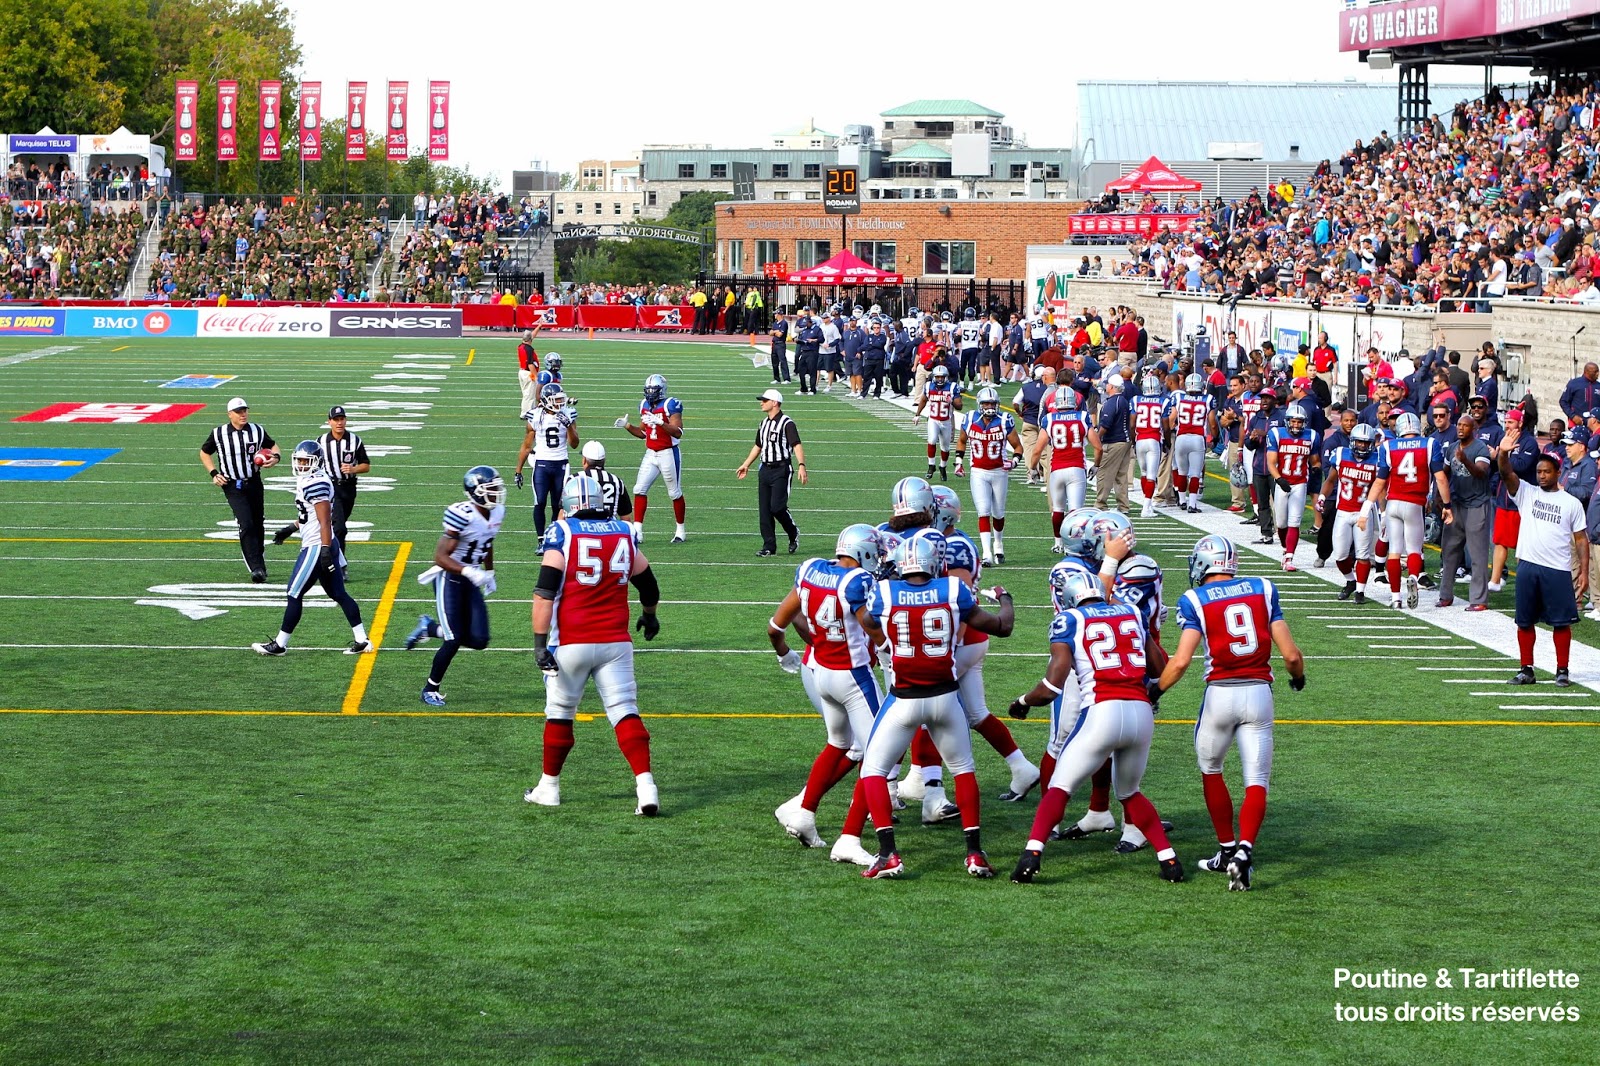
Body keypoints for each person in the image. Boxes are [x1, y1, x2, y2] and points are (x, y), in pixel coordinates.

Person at [847, 530, 1016, 879]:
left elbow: (867, 620)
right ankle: (974, 853)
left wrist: (890, 632)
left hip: (904, 699)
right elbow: (1002, 627)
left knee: (873, 772)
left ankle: (888, 853)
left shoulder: (885, 592)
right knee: (964, 770)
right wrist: (1005, 598)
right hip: (945, 697)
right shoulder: (952, 590)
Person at [1007, 566, 1182, 885]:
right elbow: (1160, 668)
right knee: (1130, 793)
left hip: (1102, 710)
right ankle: (1168, 859)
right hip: (1141, 713)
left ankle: (1031, 855)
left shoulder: (1068, 620)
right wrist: (1151, 692)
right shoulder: (1130, 612)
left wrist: (1022, 701)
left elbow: (1050, 687)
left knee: (1060, 787)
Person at [1157, 534, 1305, 891]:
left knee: (1211, 770)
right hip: (1259, 694)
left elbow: (1180, 662)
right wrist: (1298, 679)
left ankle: (1226, 848)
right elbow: (1291, 656)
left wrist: (1154, 690)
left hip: (1220, 696)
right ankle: (1244, 851)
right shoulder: (1262, 588)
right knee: (1256, 781)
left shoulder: (1195, 599)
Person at [525, 474, 663, 815]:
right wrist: (649, 615)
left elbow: (544, 593)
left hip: (571, 641)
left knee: (560, 714)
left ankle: (550, 787)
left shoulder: (563, 532)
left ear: (569, 505)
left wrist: (539, 644)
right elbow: (648, 583)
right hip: (616, 642)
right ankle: (646, 787)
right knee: (624, 711)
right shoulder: (623, 531)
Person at [767, 523, 883, 857]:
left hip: (821, 671)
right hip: (852, 675)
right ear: (862, 553)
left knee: (838, 744)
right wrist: (889, 646)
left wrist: (784, 652)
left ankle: (804, 813)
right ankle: (850, 838)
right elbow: (872, 627)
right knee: (879, 755)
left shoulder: (810, 570)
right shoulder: (857, 581)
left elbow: (777, 625)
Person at [251, 441, 370, 657]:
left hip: (317, 545)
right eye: (299, 460)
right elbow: (310, 514)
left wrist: (325, 550)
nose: (302, 465)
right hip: (322, 542)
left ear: (317, 462)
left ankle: (280, 644)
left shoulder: (316, 482)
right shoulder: (308, 479)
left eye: (306, 461)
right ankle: (362, 639)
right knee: (339, 593)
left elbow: (325, 521)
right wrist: (292, 527)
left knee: (294, 593)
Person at [404, 467, 506, 706]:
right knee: (453, 639)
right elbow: (440, 556)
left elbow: (487, 542)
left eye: (496, 488)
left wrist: (489, 571)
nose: (496, 493)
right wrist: (469, 570)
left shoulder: (498, 511)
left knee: (480, 640)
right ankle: (430, 689)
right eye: (490, 490)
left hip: (471, 578)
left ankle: (430, 628)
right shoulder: (462, 514)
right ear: (476, 493)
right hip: (449, 577)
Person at [1497, 422, 1586, 686]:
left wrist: (1583, 571)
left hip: (1557, 569)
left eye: (1547, 471)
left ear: (1558, 472)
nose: (1542, 476)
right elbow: (1506, 475)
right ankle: (1526, 668)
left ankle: (1562, 670)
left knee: (1561, 623)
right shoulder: (1527, 493)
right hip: (1527, 566)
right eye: (1538, 471)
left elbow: (1581, 539)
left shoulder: (1570, 502)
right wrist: (1503, 454)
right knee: (1524, 621)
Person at [1361, 412, 1450, 610]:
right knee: (1414, 550)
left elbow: (1380, 481)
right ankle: (1412, 577)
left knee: (1394, 551)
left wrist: (1365, 509)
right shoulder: (1429, 444)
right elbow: (1441, 478)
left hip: (1393, 504)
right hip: (1414, 503)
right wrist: (1447, 505)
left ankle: (1395, 598)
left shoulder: (1387, 446)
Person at [200, 396, 279, 583]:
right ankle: (256, 567)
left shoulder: (257, 430)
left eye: (244, 410)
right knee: (246, 524)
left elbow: (273, 445)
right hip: (232, 484)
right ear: (230, 415)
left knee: (258, 524)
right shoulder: (219, 433)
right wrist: (213, 473)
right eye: (239, 412)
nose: (243, 414)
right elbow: (204, 452)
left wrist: (275, 457)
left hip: (254, 482)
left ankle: (259, 561)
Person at [954, 386, 1022, 565]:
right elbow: (962, 441)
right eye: (986, 403)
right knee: (983, 512)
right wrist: (959, 462)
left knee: (998, 513)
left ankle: (998, 544)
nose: (990, 406)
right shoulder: (969, 418)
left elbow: (1018, 446)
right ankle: (986, 553)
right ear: (979, 404)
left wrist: (1014, 462)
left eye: (993, 403)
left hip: (999, 471)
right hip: (978, 472)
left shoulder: (1004, 420)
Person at [616, 374, 686, 544]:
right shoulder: (644, 405)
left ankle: (680, 531)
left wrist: (661, 422)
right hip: (651, 453)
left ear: (661, 391)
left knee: (674, 493)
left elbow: (678, 432)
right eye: (648, 390)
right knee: (639, 489)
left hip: (668, 453)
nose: (650, 393)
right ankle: (638, 531)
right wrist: (627, 426)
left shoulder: (670, 404)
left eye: (653, 390)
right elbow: (643, 433)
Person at [737, 389, 806, 557]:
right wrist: (746, 464)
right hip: (765, 469)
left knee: (777, 507)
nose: (761, 402)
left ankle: (793, 532)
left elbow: (796, 445)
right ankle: (769, 546)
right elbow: (758, 445)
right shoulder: (764, 423)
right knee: (765, 510)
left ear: (775, 402)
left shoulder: (787, 423)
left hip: (781, 469)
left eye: (765, 400)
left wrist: (801, 465)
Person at [1034, 383, 1100, 552]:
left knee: (1057, 509)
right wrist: (1097, 465)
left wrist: (1033, 469)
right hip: (1077, 468)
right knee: (1075, 511)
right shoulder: (1083, 417)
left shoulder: (1048, 419)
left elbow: (1037, 449)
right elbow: (1098, 447)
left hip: (1056, 469)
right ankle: (1073, 545)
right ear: (1074, 402)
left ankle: (1058, 543)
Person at [1438, 414, 1492, 610]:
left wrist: (1465, 460)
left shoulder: (1480, 448)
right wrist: (1439, 497)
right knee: (1449, 550)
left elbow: (1481, 471)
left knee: (1477, 554)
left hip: (1477, 503)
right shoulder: (1452, 447)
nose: (1460, 429)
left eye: (1465, 426)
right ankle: (1445, 595)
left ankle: (1478, 599)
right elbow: (1443, 472)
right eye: (1459, 425)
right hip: (1457, 503)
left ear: (1473, 428)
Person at [515, 382, 579, 537]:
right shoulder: (535, 416)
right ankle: (540, 539)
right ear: (547, 400)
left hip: (561, 464)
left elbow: (575, 444)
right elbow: (527, 446)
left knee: (558, 504)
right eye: (556, 400)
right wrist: (518, 470)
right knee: (540, 502)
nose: (560, 402)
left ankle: (553, 535)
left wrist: (568, 426)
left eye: (561, 399)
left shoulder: (568, 413)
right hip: (541, 464)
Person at [1266, 403, 1318, 571]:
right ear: (1287, 421)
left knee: (1294, 522)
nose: (1296, 425)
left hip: (1300, 483)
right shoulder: (1276, 434)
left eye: (1299, 422)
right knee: (1281, 524)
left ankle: (1289, 557)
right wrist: (1279, 479)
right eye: (1293, 421)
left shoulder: (1312, 436)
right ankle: (1285, 548)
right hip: (1282, 482)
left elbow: (1315, 460)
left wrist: (1316, 468)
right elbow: (1271, 462)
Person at [316, 405, 369, 551]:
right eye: (336, 419)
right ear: (329, 422)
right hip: (331, 488)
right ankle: (339, 563)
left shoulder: (354, 440)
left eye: (342, 419)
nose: (339, 423)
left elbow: (366, 465)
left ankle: (329, 555)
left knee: (338, 524)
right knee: (339, 528)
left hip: (349, 487)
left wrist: (353, 469)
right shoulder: (321, 442)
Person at [1171, 372, 1214, 513]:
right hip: (1197, 438)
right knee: (1195, 474)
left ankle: (1182, 501)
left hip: (1181, 438)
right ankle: (1192, 504)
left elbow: (1172, 419)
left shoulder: (1179, 397)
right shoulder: (1208, 399)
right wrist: (1215, 437)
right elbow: (1212, 423)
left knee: (1182, 472)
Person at [912, 364, 963, 481]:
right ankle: (931, 466)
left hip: (946, 421)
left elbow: (959, 406)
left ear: (946, 377)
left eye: (942, 377)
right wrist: (917, 414)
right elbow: (923, 400)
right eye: (938, 377)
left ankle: (942, 467)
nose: (940, 379)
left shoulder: (952, 387)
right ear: (934, 377)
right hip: (933, 420)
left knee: (945, 447)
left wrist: (952, 402)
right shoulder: (929, 386)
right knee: (931, 441)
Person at [1095, 374, 1133, 513]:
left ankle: (1101, 503)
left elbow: (1106, 424)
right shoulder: (1123, 400)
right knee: (1121, 475)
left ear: (1111, 386)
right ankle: (1123, 506)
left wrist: (1097, 438)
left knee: (1104, 473)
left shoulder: (1112, 402)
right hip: (1124, 440)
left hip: (1114, 441)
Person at [1132, 374, 1167, 516]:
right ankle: (1146, 507)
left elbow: (1132, 423)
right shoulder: (1163, 401)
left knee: (1144, 473)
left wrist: (1133, 440)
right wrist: (1168, 443)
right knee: (1152, 476)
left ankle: (1147, 504)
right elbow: (1165, 426)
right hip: (1153, 439)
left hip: (1140, 439)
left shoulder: (1136, 400)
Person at [579, 440, 630, 521]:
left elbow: (562, 514)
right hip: (610, 530)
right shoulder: (616, 481)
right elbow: (626, 518)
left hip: (584, 529)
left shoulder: (575, 479)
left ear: (584, 460)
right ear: (604, 461)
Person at [516, 326, 543, 414]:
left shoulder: (521, 346)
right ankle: (527, 413)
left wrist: (539, 327)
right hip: (528, 373)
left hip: (522, 372)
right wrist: (536, 376)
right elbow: (530, 364)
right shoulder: (529, 349)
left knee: (526, 393)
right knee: (530, 394)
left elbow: (532, 336)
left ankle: (527, 411)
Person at [768, 311, 791, 385]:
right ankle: (776, 378)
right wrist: (775, 331)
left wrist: (775, 332)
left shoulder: (784, 323)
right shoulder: (775, 323)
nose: (775, 315)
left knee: (782, 361)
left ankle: (787, 378)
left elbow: (780, 334)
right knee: (774, 362)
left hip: (780, 344)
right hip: (774, 344)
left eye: (776, 314)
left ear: (779, 315)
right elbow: (770, 333)